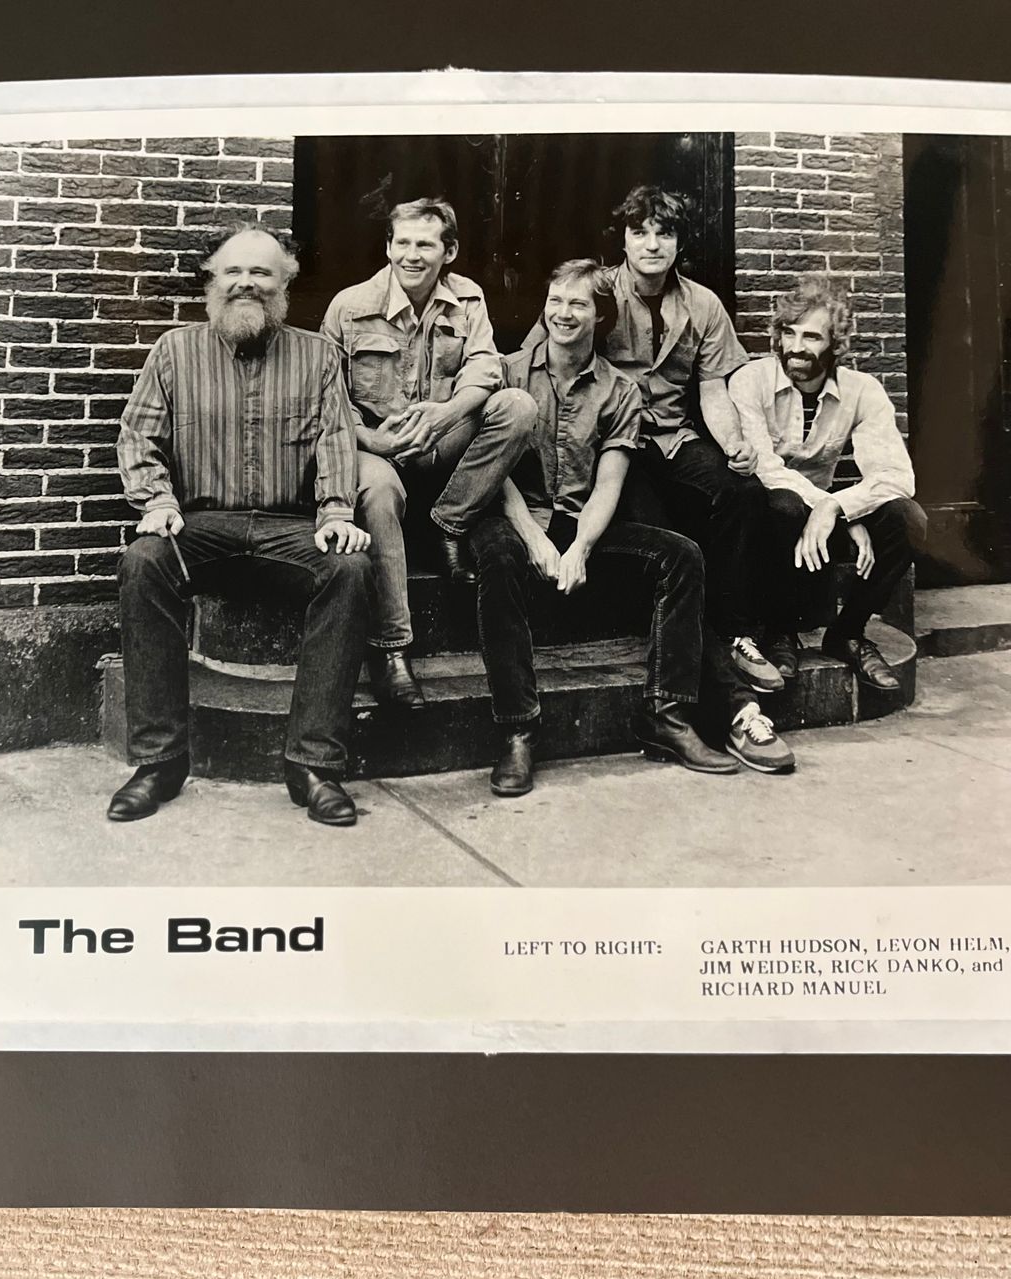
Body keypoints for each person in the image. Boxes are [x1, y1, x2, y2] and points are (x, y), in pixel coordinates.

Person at [487, 258, 791, 793]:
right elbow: (497, 473)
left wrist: (579, 547)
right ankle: (517, 732)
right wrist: (535, 538)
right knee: (496, 556)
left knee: (682, 554)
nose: (563, 313)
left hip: (578, 521)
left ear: (600, 316)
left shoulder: (620, 391)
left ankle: (666, 716)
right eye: (555, 300)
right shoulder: (507, 373)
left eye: (578, 303)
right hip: (518, 518)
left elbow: (609, 484)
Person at [112, 225, 373, 829]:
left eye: (261, 273)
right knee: (143, 562)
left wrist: (337, 512)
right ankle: (158, 762)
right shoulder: (174, 351)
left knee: (351, 568)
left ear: (285, 285)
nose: (246, 283)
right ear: (213, 281)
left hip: (288, 529)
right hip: (200, 526)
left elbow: (337, 442)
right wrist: (156, 501)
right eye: (233, 272)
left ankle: (314, 767)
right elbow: (138, 436)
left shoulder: (318, 356)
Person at [321, 197, 537, 710]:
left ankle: (449, 523)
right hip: (378, 447)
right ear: (388, 247)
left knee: (518, 406)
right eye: (402, 243)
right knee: (377, 490)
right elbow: (326, 396)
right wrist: (371, 440)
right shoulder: (349, 306)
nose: (411, 255)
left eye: (425, 244)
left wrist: (446, 414)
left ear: (450, 251)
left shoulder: (468, 299)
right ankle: (392, 651)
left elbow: (485, 368)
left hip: (442, 442)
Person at [583, 184, 786, 704]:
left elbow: (712, 388)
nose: (652, 244)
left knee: (743, 492)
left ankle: (737, 631)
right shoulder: (597, 291)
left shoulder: (702, 303)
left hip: (674, 434)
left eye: (665, 233)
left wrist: (735, 444)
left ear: (679, 242)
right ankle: (706, 648)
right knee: (663, 536)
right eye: (640, 232)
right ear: (623, 240)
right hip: (616, 439)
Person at [729, 275, 923, 691]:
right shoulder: (750, 380)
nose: (796, 346)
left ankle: (848, 633)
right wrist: (829, 508)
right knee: (782, 503)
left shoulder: (863, 391)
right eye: (789, 332)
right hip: (770, 526)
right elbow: (765, 468)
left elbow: (896, 475)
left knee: (908, 518)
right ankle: (780, 632)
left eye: (812, 336)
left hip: (823, 525)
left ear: (835, 345)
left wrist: (838, 508)